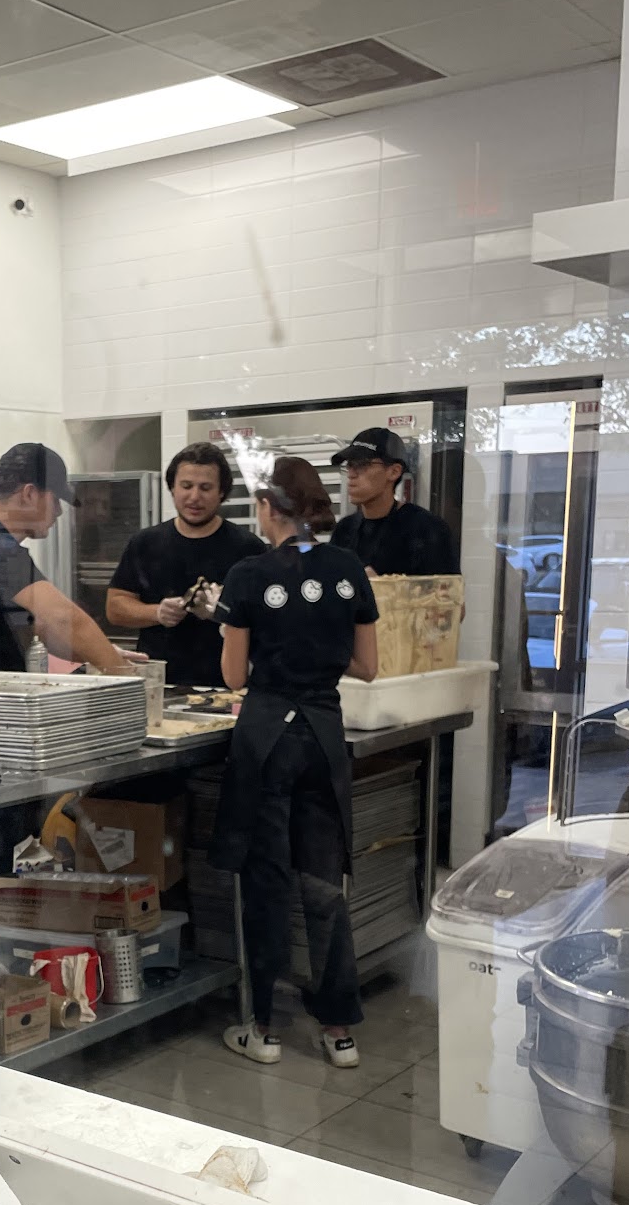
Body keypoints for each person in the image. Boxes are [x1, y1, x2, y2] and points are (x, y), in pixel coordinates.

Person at [210, 456, 379, 1070]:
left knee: (268, 884)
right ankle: (339, 1031)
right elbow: (367, 667)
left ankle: (265, 1030)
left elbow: (233, 676)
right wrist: (317, 648)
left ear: (267, 508)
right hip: (324, 737)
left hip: (267, 740)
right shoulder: (348, 568)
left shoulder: (248, 574)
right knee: (325, 887)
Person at [106, 442, 265, 686]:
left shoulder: (248, 548)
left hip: (226, 684)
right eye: (186, 486)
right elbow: (115, 607)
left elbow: (270, 621)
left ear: (221, 492)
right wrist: (157, 613)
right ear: (172, 488)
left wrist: (222, 613)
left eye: (205, 488)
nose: (194, 497)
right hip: (159, 683)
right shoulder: (145, 543)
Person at [0, 443, 137, 674]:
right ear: (29, 494)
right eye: (55, 500)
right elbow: (62, 618)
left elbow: (41, 628)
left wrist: (102, 654)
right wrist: (124, 675)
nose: (59, 511)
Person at [329, 427, 459, 577]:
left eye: (362, 464)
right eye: (349, 466)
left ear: (394, 471)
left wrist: (384, 586)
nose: (351, 474)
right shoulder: (344, 530)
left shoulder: (426, 529)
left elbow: (446, 590)